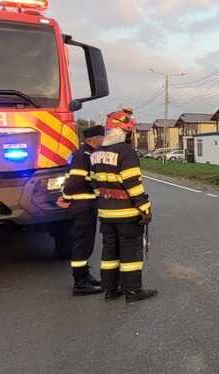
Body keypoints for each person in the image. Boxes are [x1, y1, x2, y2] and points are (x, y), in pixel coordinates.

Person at [90, 108, 158, 303]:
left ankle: (110, 290)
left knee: (109, 251)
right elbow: (133, 184)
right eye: (130, 132)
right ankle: (134, 291)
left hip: (105, 213)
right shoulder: (126, 152)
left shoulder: (97, 153)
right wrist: (144, 208)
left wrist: (103, 202)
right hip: (126, 213)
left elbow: (94, 183)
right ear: (125, 131)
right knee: (131, 252)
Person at [57, 125, 105, 296]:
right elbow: (74, 181)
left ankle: (85, 275)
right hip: (82, 205)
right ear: (93, 140)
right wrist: (66, 197)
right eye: (101, 138)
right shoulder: (83, 156)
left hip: (86, 204)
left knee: (86, 243)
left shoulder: (85, 154)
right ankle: (80, 283)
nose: (103, 141)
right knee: (82, 244)